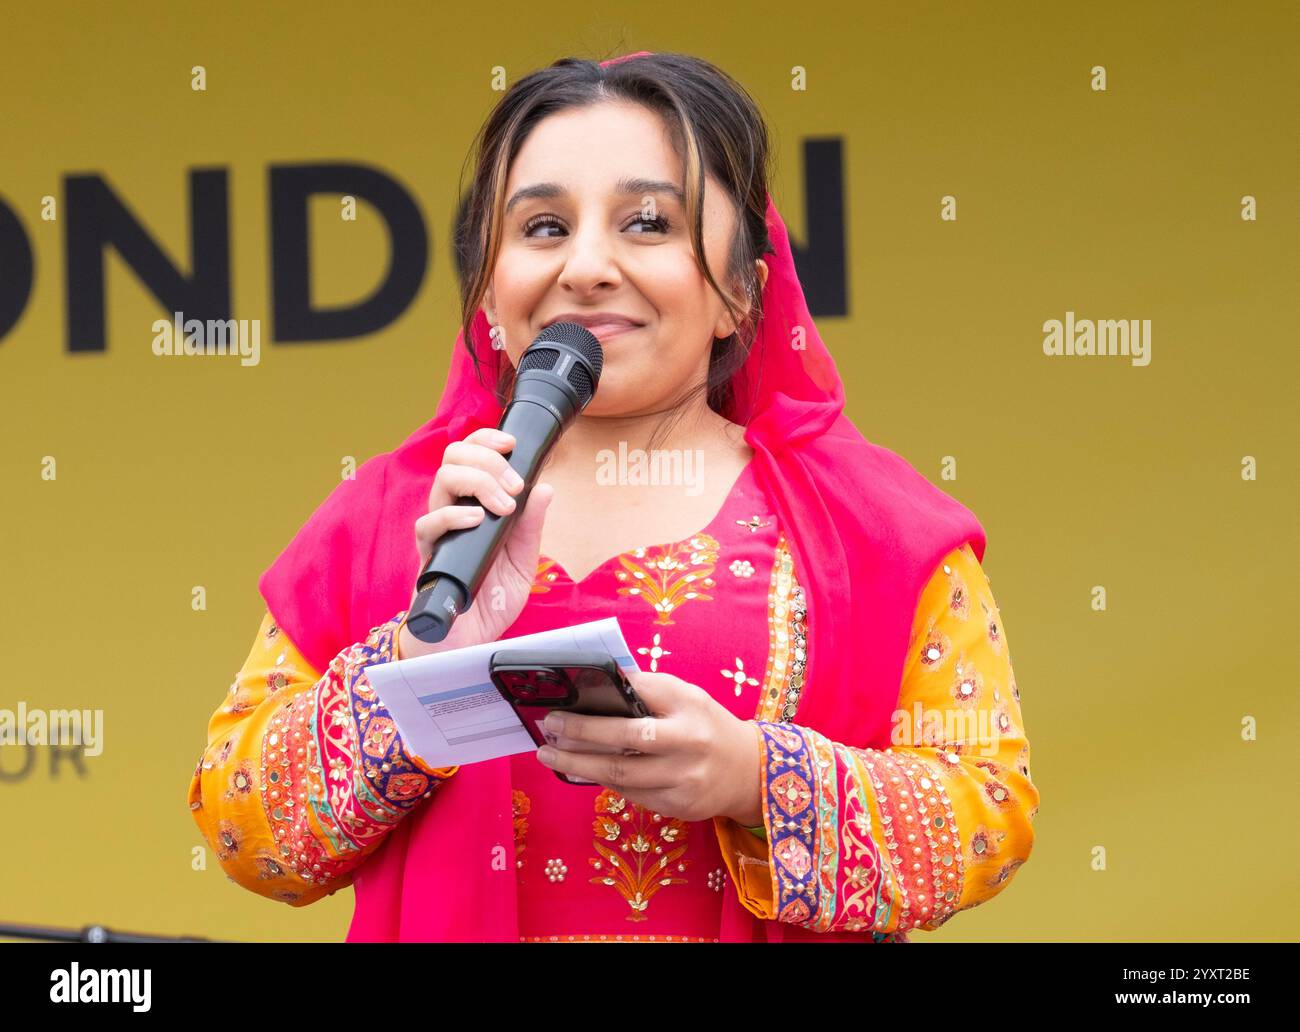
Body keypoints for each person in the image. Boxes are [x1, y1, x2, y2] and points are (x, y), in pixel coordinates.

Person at [188, 50, 1038, 942]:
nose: (587, 266)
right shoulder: (391, 522)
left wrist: (754, 778)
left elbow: (990, 808)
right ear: (487, 294)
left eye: (646, 222)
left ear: (743, 292)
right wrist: (416, 658)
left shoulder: (876, 529)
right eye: (545, 228)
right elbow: (244, 830)